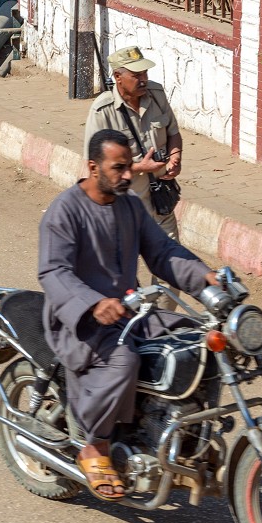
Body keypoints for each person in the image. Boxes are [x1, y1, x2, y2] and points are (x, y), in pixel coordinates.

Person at [38, 128, 217, 499]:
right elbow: (53, 272)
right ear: (92, 166)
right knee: (122, 361)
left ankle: (188, 435)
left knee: (197, 341)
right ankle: (95, 445)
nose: (127, 175)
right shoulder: (65, 210)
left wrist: (207, 279)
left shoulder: (130, 205)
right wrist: (93, 303)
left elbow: (163, 252)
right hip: (81, 321)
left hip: (130, 312)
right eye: (118, 168)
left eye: (129, 168)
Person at [84, 46, 183, 243]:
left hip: (160, 203)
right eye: (136, 75)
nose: (143, 79)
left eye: (145, 72)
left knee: (173, 262)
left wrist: (175, 157)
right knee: (123, 269)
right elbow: (96, 167)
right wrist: (139, 167)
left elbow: (173, 132)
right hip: (123, 206)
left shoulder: (156, 94)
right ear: (118, 77)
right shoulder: (102, 110)